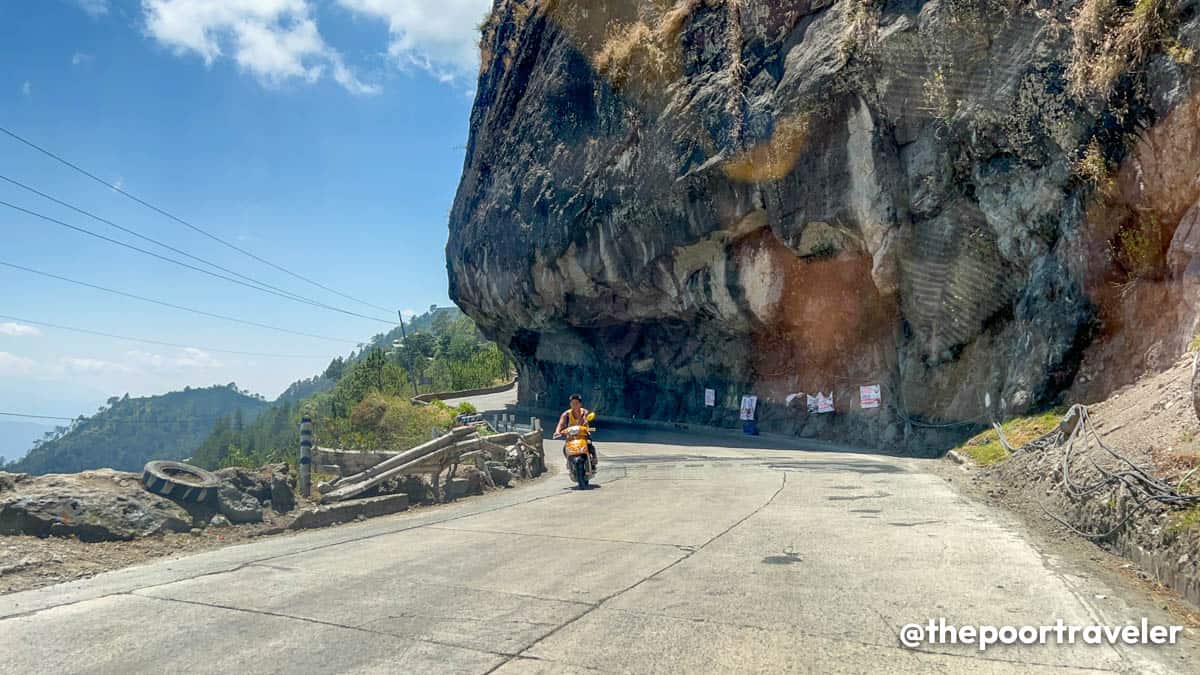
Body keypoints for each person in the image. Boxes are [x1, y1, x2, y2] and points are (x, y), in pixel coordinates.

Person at [554, 394, 597, 471]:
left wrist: (586, 422)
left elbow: (586, 419)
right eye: (572, 403)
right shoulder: (566, 414)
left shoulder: (584, 412)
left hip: (583, 435)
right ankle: (569, 461)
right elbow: (560, 424)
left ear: (580, 404)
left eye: (576, 403)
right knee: (565, 448)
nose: (574, 405)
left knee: (589, 444)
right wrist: (557, 432)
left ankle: (593, 459)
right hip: (571, 437)